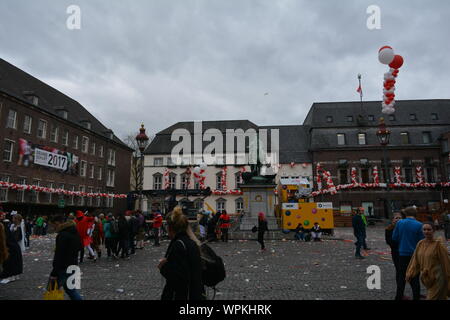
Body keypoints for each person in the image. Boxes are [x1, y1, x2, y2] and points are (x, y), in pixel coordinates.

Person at [158, 206, 205, 300]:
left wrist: (163, 267)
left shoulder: (178, 244)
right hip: (196, 292)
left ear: (170, 227)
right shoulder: (192, 242)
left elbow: (179, 277)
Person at [406, 222, 450, 300]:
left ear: (434, 231)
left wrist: (448, 277)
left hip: (438, 277)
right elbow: (415, 259)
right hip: (427, 278)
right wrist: (410, 272)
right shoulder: (420, 243)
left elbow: (446, 261)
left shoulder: (438, 245)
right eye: (424, 229)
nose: (426, 231)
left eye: (429, 229)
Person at [392, 206, 424, 300]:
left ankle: (398, 296)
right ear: (415, 213)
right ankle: (416, 297)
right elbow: (422, 241)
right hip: (414, 255)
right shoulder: (419, 225)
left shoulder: (400, 223)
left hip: (402, 254)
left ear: (405, 214)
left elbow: (394, 238)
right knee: (415, 278)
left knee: (401, 277)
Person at [49, 215, 83, 300]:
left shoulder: (62, 235)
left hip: (63, 267)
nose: (54, 228)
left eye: (53, 226)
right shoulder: (75, 232)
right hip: (74, 265)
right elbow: (81, 247)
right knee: (71, 290)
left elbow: (59, 255)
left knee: (51, 289)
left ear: (57, 223)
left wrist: (54, 273)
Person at [0, 215, 23, 284]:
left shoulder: (17, 227)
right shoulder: (11, 226)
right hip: (12, 246)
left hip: (12, 247)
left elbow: (18, 237)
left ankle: (10, 276)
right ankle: (12, 275)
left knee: (10, 262)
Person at [385, 212, 403, 292]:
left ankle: (416, 292)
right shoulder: (389, 229)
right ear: (392, 220)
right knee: (399, 272)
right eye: (396, 218)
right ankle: (400, 292)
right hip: (396, 253)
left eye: (400, 218)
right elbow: (389, 242)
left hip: (407, 252)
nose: (398, 219)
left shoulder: (405, 228)